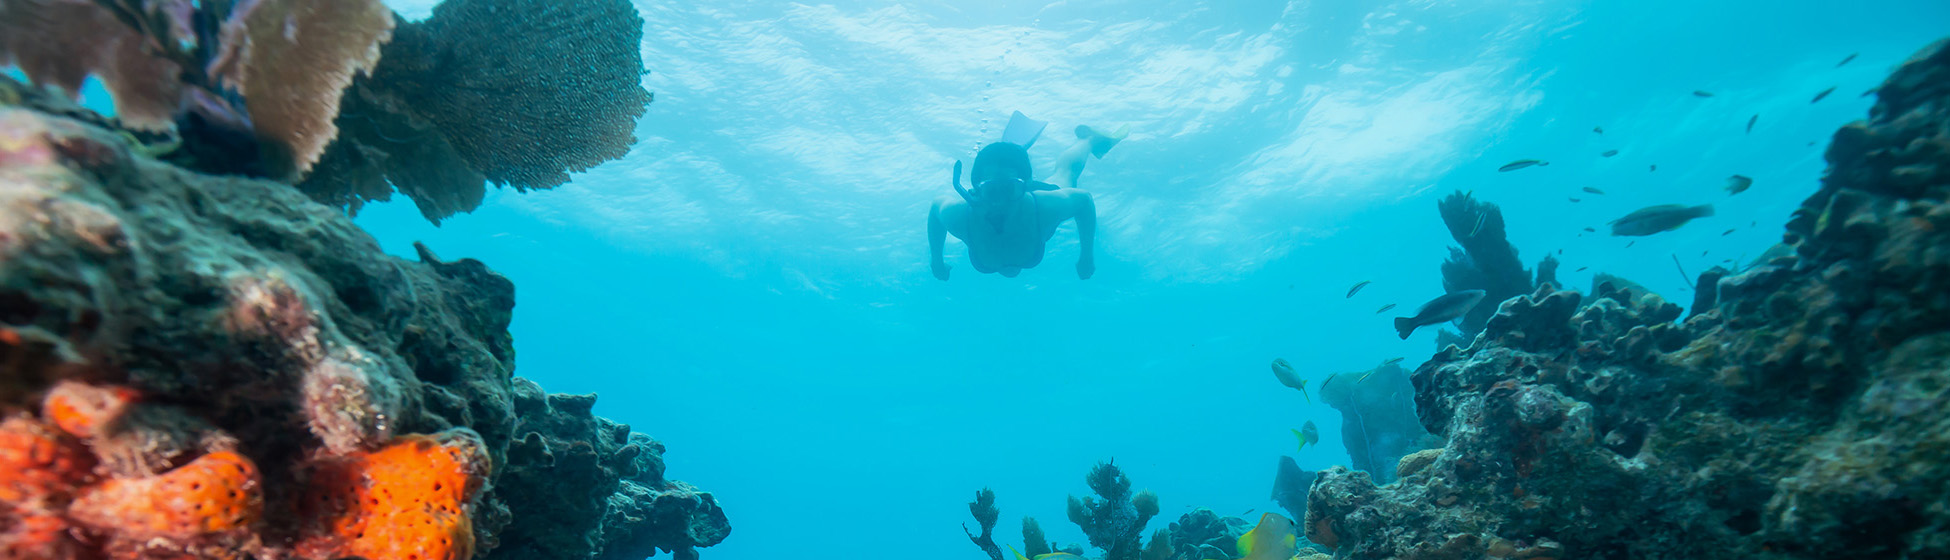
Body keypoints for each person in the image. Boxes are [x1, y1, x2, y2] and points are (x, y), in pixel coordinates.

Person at [928, 112, 1126, 280]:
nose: (1000, 202)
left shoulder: (1046, 205)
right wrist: (935, 259)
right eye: (991, 190)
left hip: (1034, 205)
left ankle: (1089, 140)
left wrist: (1087, 256)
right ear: (977, 190)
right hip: (1026, 197)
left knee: (1066, 174)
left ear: (1026, 188)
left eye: (1009, 190)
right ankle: (1012, 171)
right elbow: (936, 209)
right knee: (1061, 176)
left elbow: (1084, 200)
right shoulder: (960, 216)